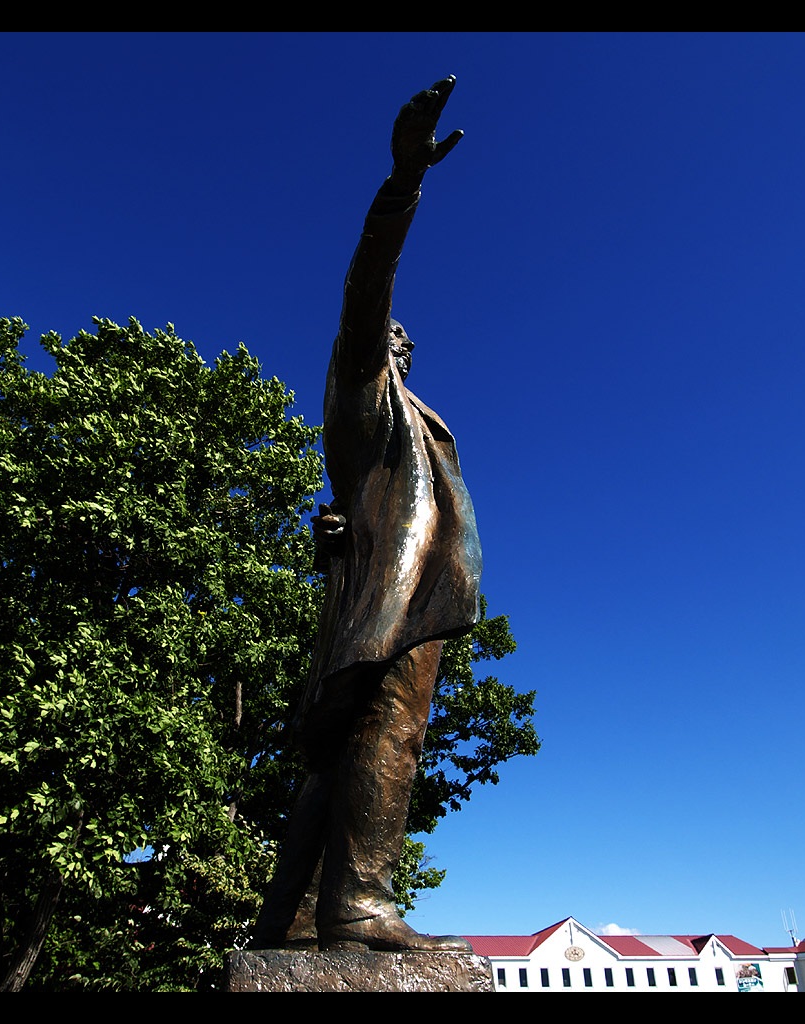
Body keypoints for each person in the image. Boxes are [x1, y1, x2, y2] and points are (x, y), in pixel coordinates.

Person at [252, 77, 482, 953]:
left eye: (402, 342)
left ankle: (292, 914)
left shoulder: (406, 416)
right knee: (392, 733)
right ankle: (359, 903)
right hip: (393, 599)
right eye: (388, 336)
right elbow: (366, 285)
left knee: (338, 755)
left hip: (405, 590)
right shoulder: (361, 395)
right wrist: (403, 184)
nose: (397, 344)